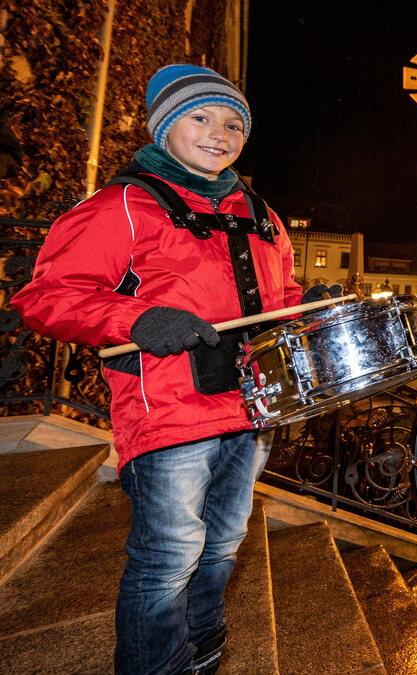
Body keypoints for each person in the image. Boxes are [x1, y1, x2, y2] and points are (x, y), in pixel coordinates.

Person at [11, 64, 307, 674]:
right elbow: (45, 296)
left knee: (223, 548)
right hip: (170, 413)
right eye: (200, 117)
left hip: (251, 408)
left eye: (233, 122)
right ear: (165, 125)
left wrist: (304, 305)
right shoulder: (122, 203)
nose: (219, 133)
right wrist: (138, 320)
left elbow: (279, 298)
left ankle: (201, 649)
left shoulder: (262, 212)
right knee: (168, 555)